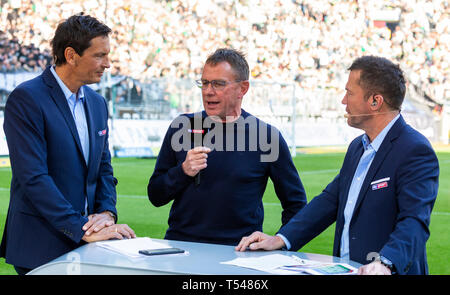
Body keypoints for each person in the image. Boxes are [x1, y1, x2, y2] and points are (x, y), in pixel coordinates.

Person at [235, 56, 439, 275]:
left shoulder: (414, 150)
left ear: (375, 101)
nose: (343, 101)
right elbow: (329, 201)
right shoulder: (356, 147)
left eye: (349, 93)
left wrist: (385, 263)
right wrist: (281, 238)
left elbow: (414, 221)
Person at [0, 14, 135, 275]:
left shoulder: (97, 103)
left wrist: (107, 213)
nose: (107, 64)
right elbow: (34, 178)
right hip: (41, 245)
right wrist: (80, 228)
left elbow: (104, 168)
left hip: (90, 244)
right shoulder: (27, 99)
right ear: (71, 55)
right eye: (99, 55)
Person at [147, 48, 306, 246]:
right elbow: (155, 195)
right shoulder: (182, 127)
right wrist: (183, 171)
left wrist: (280, 243)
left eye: (218, 84)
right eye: (204, 83)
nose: (208, 91)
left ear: (243, 88)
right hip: (181, 249)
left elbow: (296, 203)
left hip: (238, 254)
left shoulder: (266, 136)